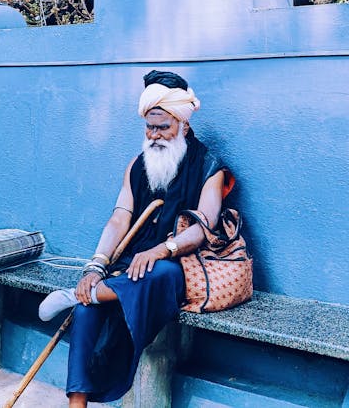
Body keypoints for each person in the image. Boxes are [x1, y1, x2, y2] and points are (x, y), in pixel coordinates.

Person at [38, 70, 229, 407]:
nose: (155, 135)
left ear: (183, 125)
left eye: (163, 127)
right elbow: (119, 218)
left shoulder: (210, 167)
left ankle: (90, 294)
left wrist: (161, 249)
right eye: (149, 127)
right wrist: (95, 265)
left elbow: (204, 227)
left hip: (180, 264)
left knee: (155, 274)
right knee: (86, 309)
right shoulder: (137, 166)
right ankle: (76, 402)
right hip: (131, 263)